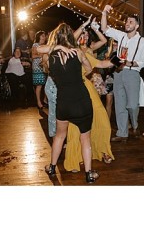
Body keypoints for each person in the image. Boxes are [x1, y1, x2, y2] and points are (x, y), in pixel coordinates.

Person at [42, 24, 105, 184]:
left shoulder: (49, 55)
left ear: (56, 37)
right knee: (85, 139)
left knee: (59, 136)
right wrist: (76, 55)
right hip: (82, 101)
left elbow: (37, 51)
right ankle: (89, 174)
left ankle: (51, 167)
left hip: (63, 103)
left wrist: (57, 47)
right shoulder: (77, 52)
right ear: (71, 36)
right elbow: (89, 70)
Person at [102, 4, 144, 141]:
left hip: (132, 73)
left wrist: (130, 63)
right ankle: (122, 133)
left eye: (131, 22)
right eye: (127, 21)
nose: (127, 24)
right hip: (118, 72)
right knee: (120, 105)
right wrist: (104, 12)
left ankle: (134, 124)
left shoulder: (142, 41)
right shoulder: (121, 36)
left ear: (137, 26)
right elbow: (105, 29)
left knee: (132, 105)